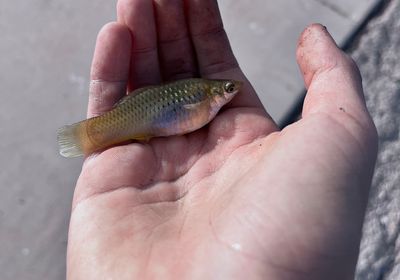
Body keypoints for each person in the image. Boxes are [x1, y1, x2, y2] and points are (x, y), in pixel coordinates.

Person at [66, 0, 378, 279]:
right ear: (215, 93)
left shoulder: (208, 100)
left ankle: (92, 134)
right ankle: (91, 134)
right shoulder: (205, 96)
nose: (232, 92)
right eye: (228, 90)